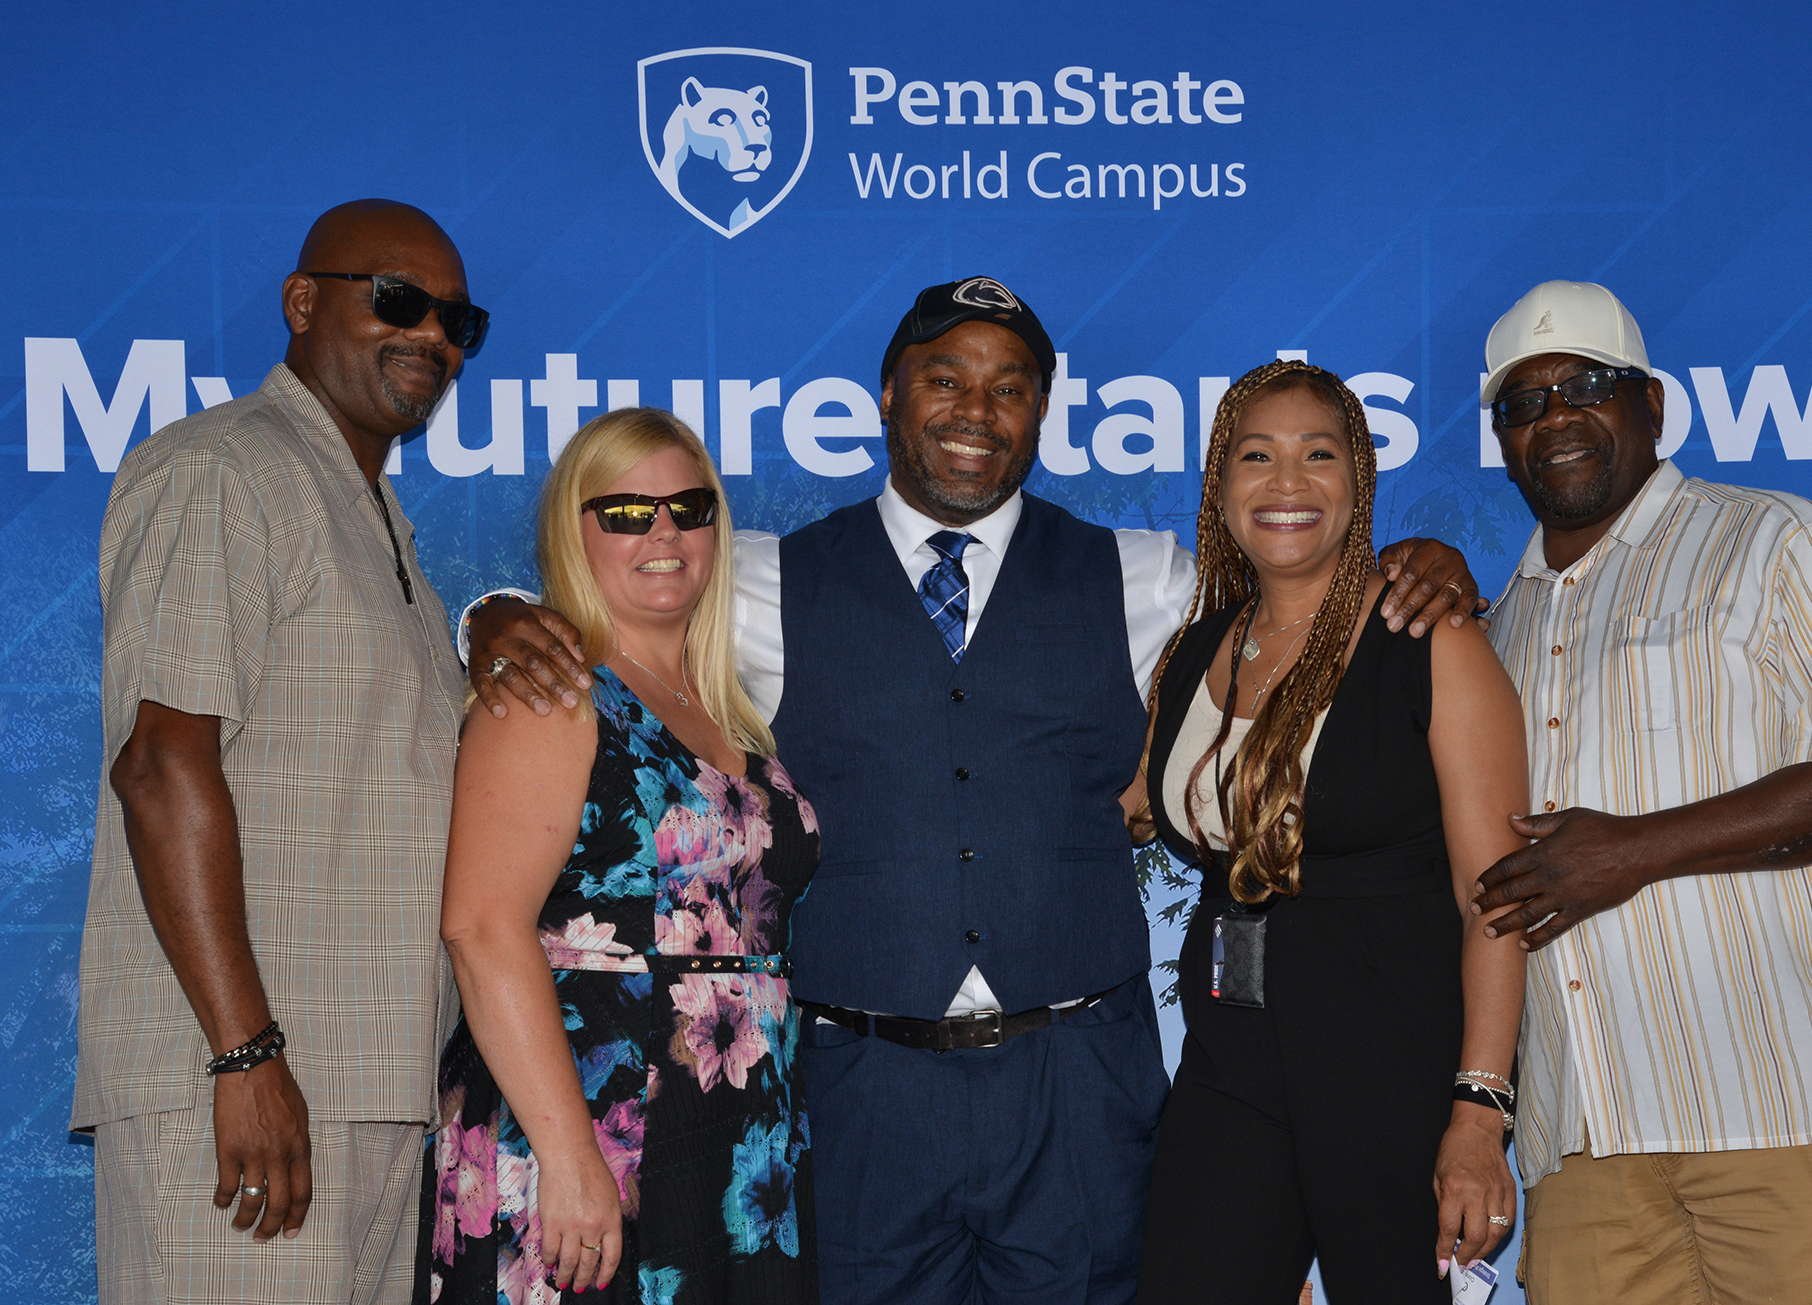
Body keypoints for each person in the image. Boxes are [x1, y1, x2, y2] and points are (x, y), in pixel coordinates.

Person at [465, 277, 1487, 1305]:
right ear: (887, 395)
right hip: (863, 1091)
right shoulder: (759, 582)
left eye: (1009, 388)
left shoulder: (1147, 578)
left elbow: (1289, 611)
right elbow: (618, 618)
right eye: (944, 378)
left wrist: (1416, 561)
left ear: (1040, 412)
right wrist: (495, 621)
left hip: (1079, 1086)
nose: (975, 410)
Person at [1469, 280, 1812, 1302]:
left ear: (1653, 406)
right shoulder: (1493, 627)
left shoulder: (1774, 541)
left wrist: (1628, 850)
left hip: (1791, 1117)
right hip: (1583, 1143)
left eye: (1585, 386)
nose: (1553, 417)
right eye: (1521, 402)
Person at [73, 199, 488, 1303]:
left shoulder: (367, 513)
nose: (433, 336)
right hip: (251, 1088)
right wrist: (245, 1056)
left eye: (459, 320)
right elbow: (161, 766)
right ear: (304, 304)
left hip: (366, 1085)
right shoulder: (224, 468)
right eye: (398, 300)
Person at [1128, 360, 1529, 1304]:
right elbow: (1129, 805)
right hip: (1230, 1068)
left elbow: (1497, 901)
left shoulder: (1433, 643)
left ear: (1360, 484)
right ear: (1221, 487)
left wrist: (1479, 1111)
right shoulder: (1196, 650)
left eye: (1319, 454)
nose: (1287, 483)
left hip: (1390, 1074)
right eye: (1256, 456)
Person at [423, 408, 819, 1304]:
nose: (665, 532)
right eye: (628, 513)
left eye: (687, 506)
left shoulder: (730, 710)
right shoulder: (550, 693)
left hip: (735, 1137)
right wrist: (569, 1156)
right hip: (590, 1130)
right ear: (575, 530)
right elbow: (482, 928)